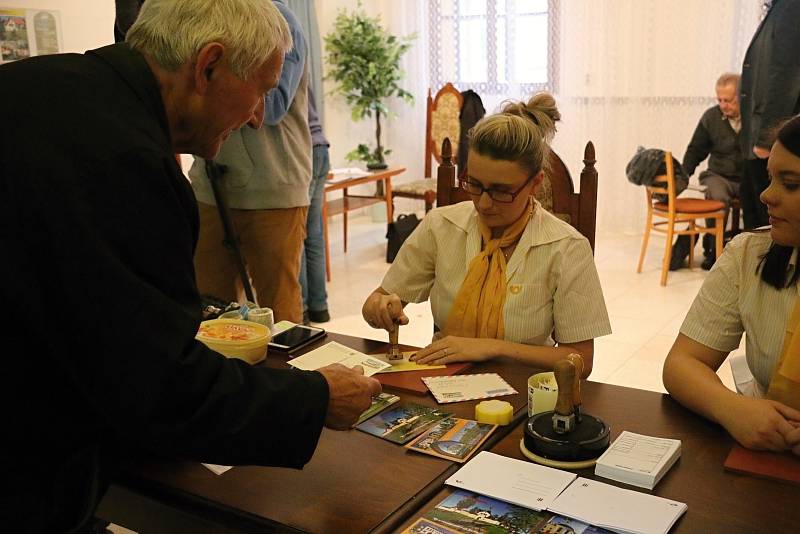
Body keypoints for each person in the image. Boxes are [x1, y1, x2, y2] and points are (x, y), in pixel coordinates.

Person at [0, 1, 380, 531]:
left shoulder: (37, 85)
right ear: (208, 66)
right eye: (262, 91)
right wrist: (316, 399)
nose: (255, 116)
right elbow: (159, 387)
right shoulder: (129, 162)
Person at [361, 93, 611, 375]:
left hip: (524, 390)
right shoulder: (441, 226)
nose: (483, 203)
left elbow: (581, 360)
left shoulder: (566, 247)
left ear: (535, 184)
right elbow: (379, 299)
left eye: (502, 191)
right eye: (475, 185)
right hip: (444, 378)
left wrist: (491, 347)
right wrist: (378, 308)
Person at [663, 114, 800, 456]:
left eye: (791, 184)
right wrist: (732, 408)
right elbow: (681, 364)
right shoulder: (749, 254)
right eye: (770, 178)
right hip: (765, 454)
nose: (767, 195)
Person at [190, 0, 311, 324]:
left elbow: (269, 107)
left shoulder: (281, 21)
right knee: (209, 309)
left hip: (273, 186)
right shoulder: (201, 14)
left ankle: (287, 376)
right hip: (210, 186)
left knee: (279, 315)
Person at [670, 73, 744, 271]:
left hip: (747, 178)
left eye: (728, 100)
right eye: (719, 100)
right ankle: (713, 250)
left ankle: (750, 254)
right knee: (718, 198)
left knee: (759, 198)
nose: (723, 105)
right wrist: (683, 176)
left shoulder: (754, 118)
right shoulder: (711, 117)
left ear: (741, 95)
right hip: (718, 175)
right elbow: (695, 150)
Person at [739, 0, 800, 230]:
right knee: (754, 214)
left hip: (771, 139)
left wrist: (766, 139)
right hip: (759, 135)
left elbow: (787, 73)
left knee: (769, 221)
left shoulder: (792, 6)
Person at [300, 86, 332, 324]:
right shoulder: (299, 70)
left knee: (296, 234)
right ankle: (319, 306)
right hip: (320, 148)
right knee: (314, 235)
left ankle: (299, 308)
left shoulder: (277, 66)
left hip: (303, 151)